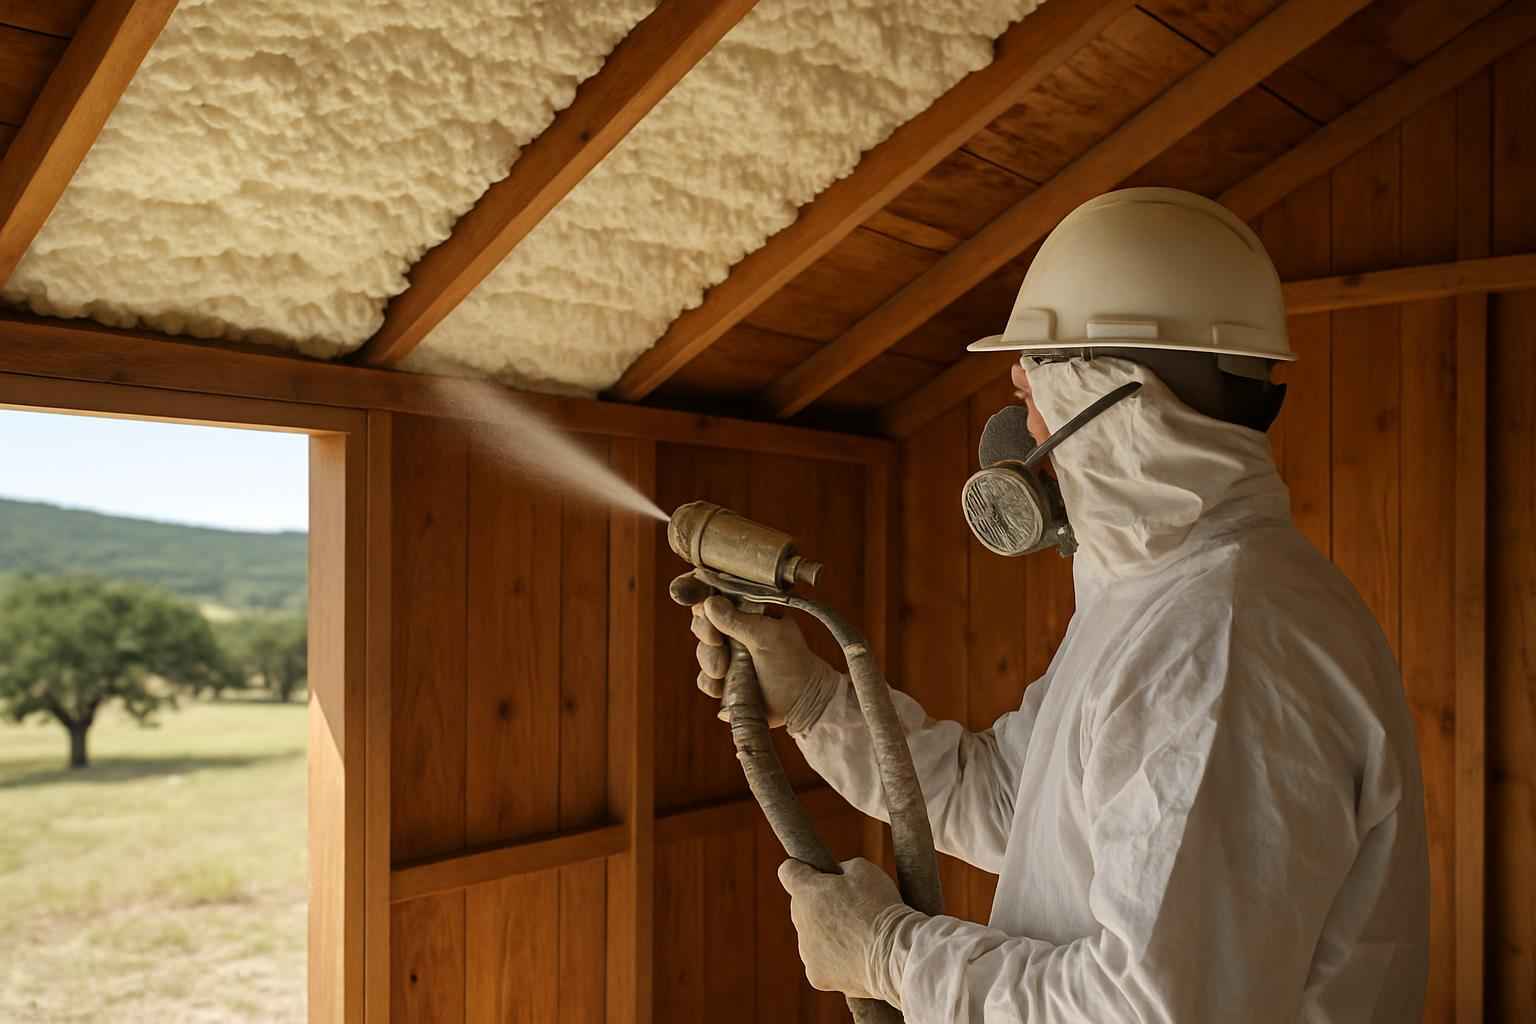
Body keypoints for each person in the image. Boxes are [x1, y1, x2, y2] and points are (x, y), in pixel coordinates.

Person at [689, 188, 1430, 1022]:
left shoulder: (1220, 645)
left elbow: (1145, 1011)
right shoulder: (1163, 599)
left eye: (1031, 385)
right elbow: (1012, 799)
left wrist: (896, 958)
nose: (1019, 424)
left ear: (1103, 396)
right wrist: (817, 703)